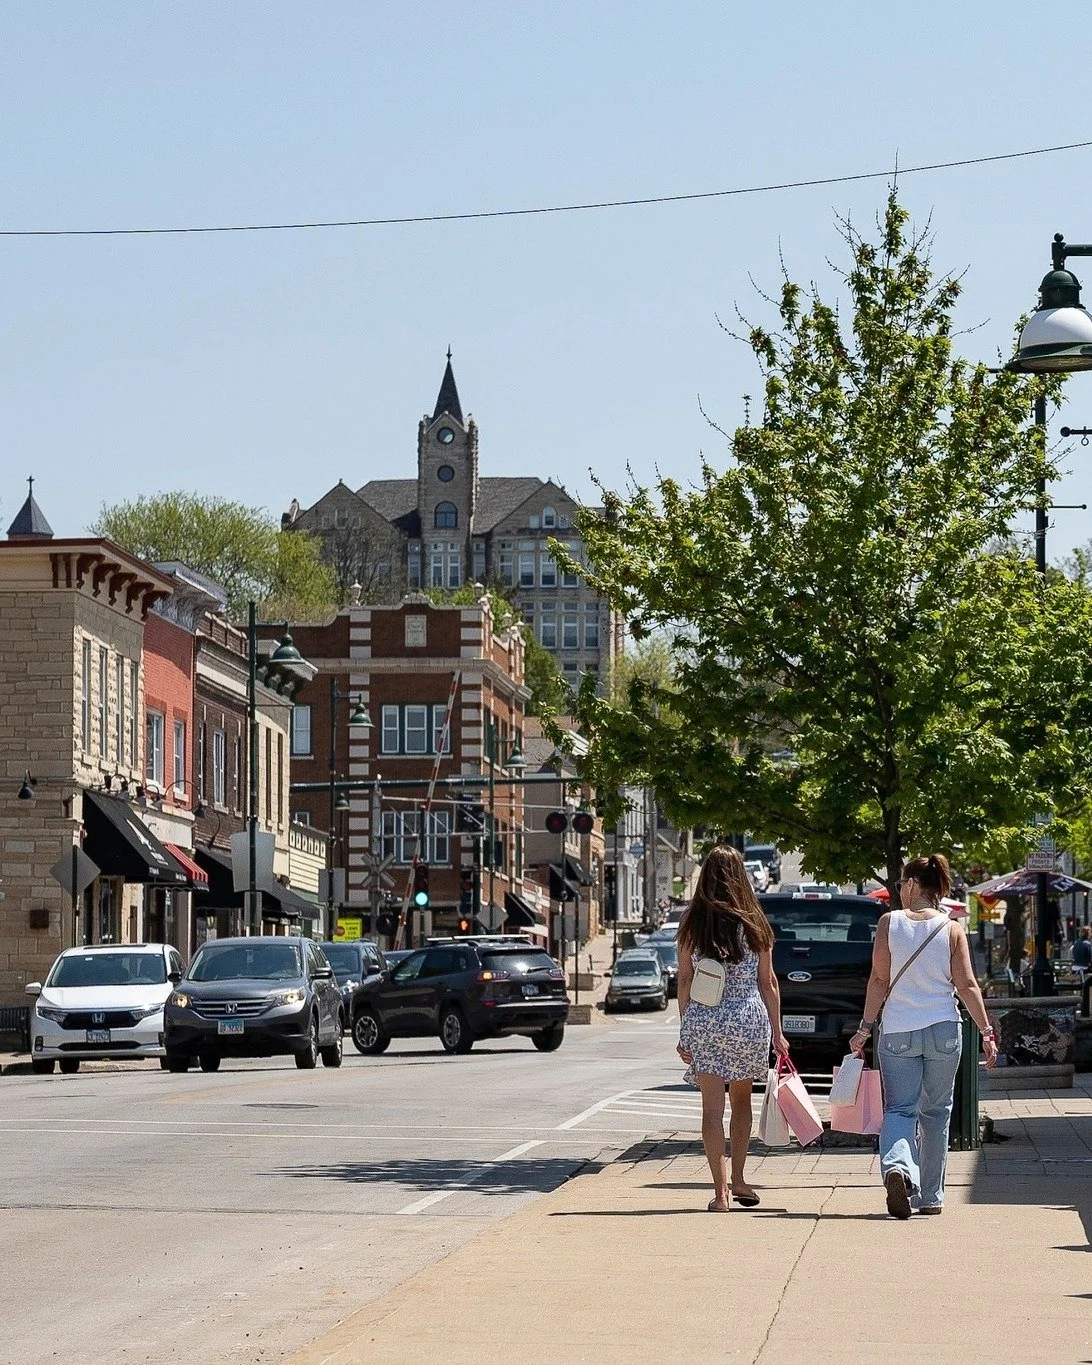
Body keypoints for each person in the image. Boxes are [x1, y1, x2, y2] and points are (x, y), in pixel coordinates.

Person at [851, 854, 999, 1220]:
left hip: (899, 1031)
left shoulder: (889, 923)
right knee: (936, 1113)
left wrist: (865, 1028)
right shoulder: (952, 929)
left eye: (901, 884)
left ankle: (899, 1167)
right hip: (945, 1032)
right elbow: (966, 984)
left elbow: (879, 980)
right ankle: (931, 1196)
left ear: (913, 884)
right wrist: (986, 1031)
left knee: (900, 1109)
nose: (899, 890)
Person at [676, 845, 788, 1212]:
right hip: (746, 1018)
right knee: (741, 1101)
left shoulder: (692, 924)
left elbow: (685, 981)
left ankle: (721, 1193)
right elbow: (767, 981)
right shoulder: (755, 922)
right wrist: (778, 1030)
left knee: (711, 1108)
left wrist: (685, 1030)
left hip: (706, 1021)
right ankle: (739, 1177)